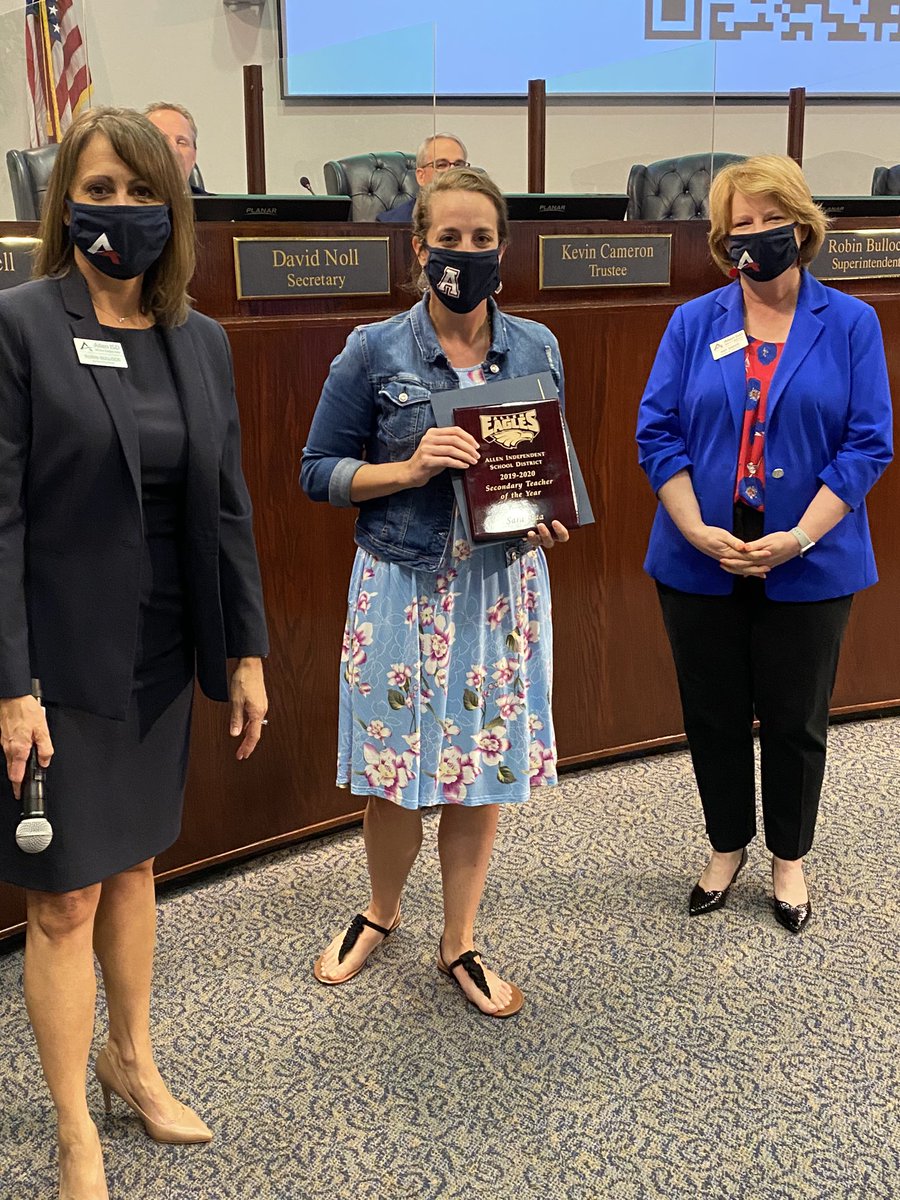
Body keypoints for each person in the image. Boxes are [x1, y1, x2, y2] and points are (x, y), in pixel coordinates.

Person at [0, 107, 269, 1199]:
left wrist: (245, 649)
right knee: (63, 898)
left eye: (140, 193)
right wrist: (9, 682)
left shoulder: (198, 338)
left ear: (176, 207)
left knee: (136, 866)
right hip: (58, 667)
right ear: (66, 200)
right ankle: (76, 1129)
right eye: (98, 191)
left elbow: (228, 504)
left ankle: (132, 1060)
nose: (120, 212)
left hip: (162, 657)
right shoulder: (19, 325)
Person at [301, 167, 568, 1016]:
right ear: (418, 248)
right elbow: (317, 472)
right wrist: (406, 469)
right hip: (400, 587)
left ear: (502, 247)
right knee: (394, 774)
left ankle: (460, 938)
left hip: (499, 591)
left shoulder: (536, 346)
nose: (464, 254)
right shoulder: (373, 350)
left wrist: (544, 517)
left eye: (481, 239)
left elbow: (546, 468)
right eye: (447, 240)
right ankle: (380, 912)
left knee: (480, 770)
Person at [636, 154, 892, 934]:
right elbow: (658, 433)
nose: (756, 236)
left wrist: (800, 536)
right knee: (711, 712)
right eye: (739, 224)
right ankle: (725, 845)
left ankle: (788, 854)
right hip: (698, 551)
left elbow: (867, 445)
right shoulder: (694, 322)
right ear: (721, 240)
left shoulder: (849, 322)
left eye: (769, 220)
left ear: (802, 227)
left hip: (808, 549)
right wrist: (689, 526)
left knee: (795, 715)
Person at [375, 132, 469, 224]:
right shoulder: (389, 224)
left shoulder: (479, 218)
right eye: (441, 165)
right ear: (421, 176)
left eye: (459, 165)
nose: (452, 172)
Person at [144, 101, 209, 194]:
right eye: (161, 140)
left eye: (181, 142)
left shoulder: (220, 208)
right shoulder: (122, 205)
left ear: (193, 157)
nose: (173, 150)